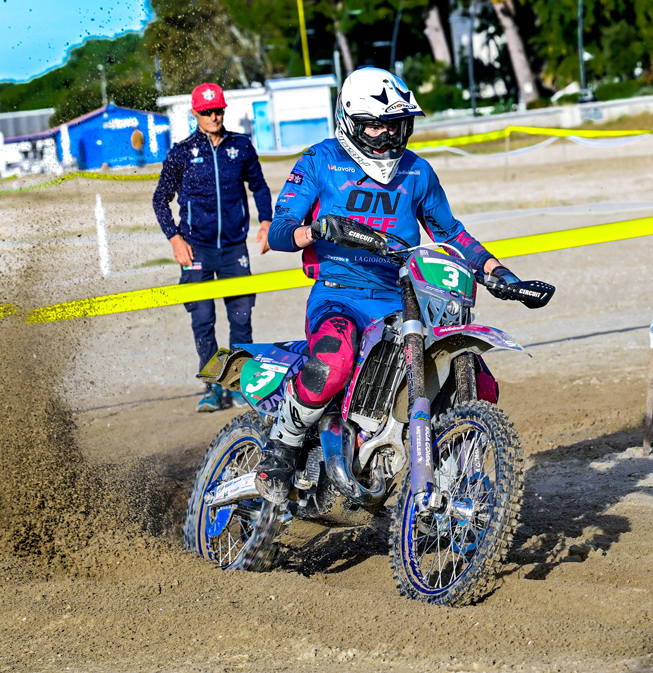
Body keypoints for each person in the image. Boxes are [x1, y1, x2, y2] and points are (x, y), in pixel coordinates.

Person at [254, 67, 524, 504]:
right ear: (349, 121)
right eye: (375, 125)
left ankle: (453, 479)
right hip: (339, 294)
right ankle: (282, 447)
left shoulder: (418, 172)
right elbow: (281, 229)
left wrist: (500, 273)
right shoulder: (320, 160)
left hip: (405, 298)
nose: (387, 136)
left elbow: (451, 234)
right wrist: (316, 230)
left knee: (477, 378)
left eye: (395, 125)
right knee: (334, 361)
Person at [153, 82, 273, 413]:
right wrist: (175, 239)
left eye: (217, 110)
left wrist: (266, 221)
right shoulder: (181, 152)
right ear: (195, 113)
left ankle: (239, 385)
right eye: (206, 112)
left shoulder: (241, 146)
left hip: (234, 248)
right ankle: (212, 388)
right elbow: (160, 199)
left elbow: (259, 186)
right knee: (202, 320)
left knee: (241, 318)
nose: (213, 116)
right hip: (196, 249)